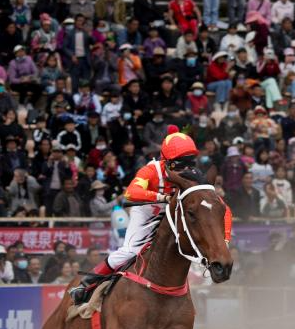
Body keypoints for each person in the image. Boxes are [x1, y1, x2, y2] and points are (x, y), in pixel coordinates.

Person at [69, 126, 201, 304]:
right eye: (180, 163)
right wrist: (161, 197)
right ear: (167, 161)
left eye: (189, 163)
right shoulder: (151, 170)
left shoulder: (192, 173)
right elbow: (131, 193)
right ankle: (87, 284)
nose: (186, 169)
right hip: (148, 212)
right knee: (131, 251)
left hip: (174, 212)